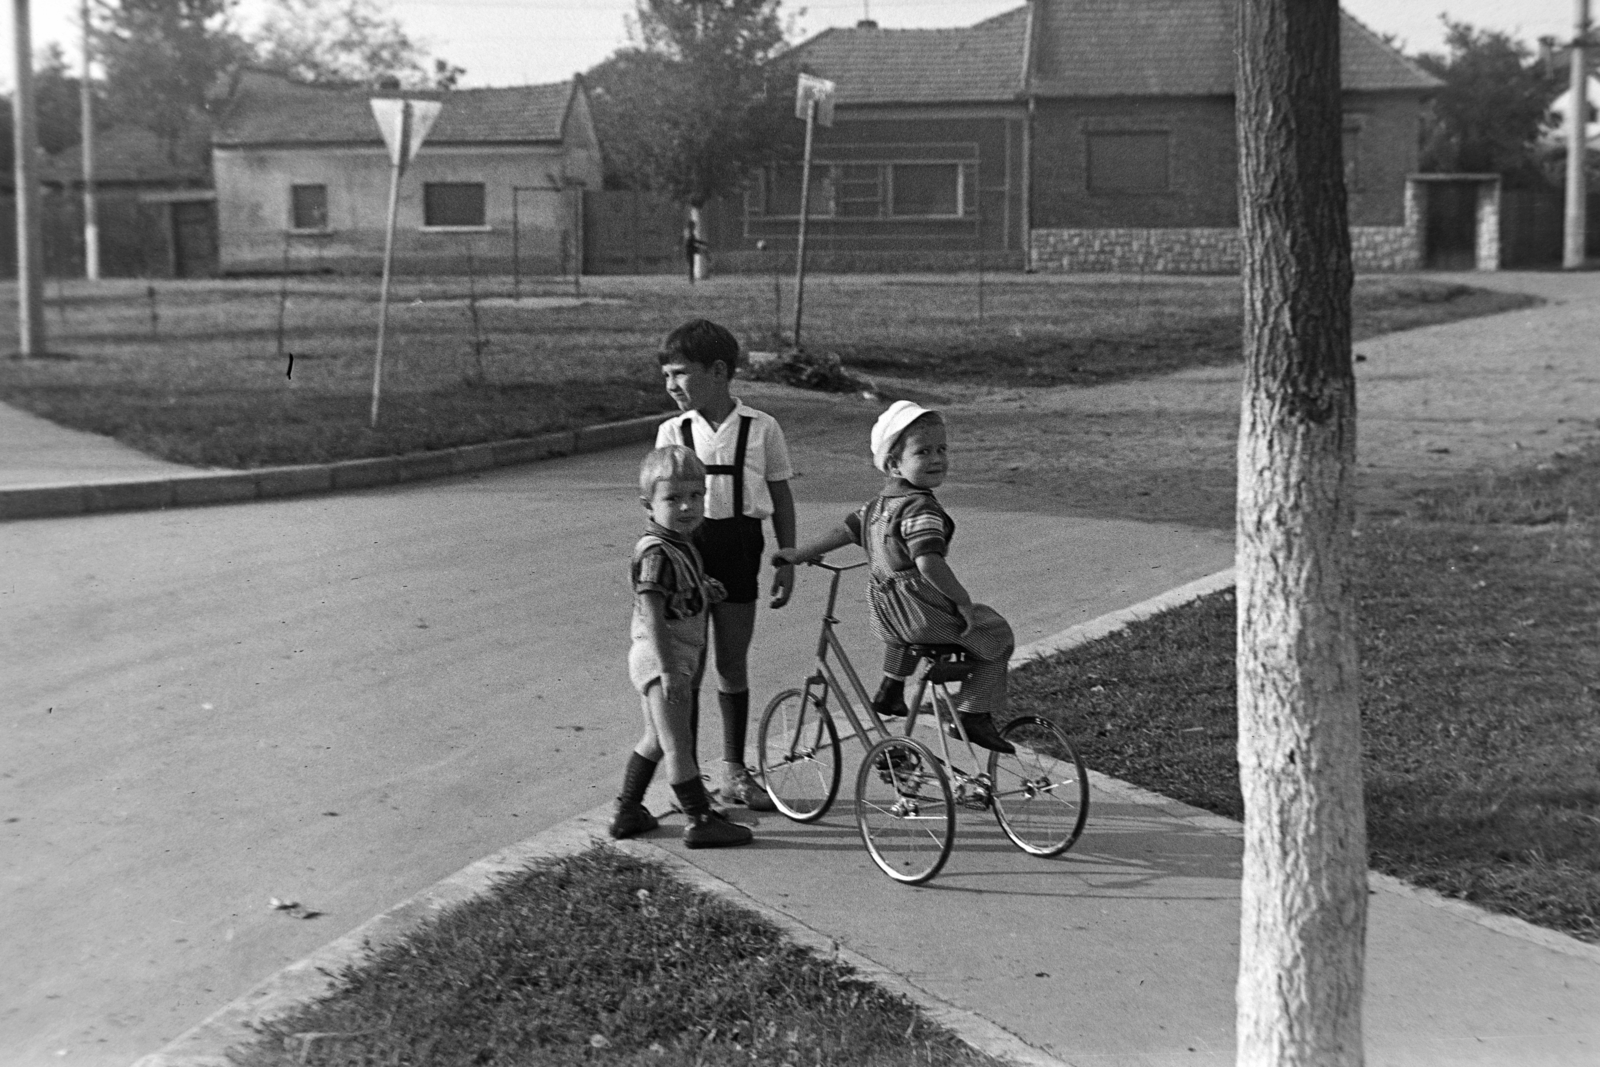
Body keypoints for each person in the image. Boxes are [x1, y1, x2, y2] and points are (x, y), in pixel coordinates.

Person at [772, 401, 1015, 753]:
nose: (936, 459)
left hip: (889, 615)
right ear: (893, 463)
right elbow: (928, 561)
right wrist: (961, 599)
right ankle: (972, 714)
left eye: (941, 449)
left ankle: (891, 688)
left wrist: (799, 554)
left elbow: (843, 531)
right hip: (921, 615)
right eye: (923, 452)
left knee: (908, 636)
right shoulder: (920, 507)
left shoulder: (876, 507)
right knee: (996, 635)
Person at [655, 319, 797, 810]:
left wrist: (787, 557)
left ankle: (734, 772)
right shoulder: (672, 432)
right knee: (686, 669)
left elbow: (779, 491)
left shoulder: (762, 427)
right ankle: (688, 781)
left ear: (718, 371)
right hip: (688, 556)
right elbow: (661, 503)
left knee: (731, 664)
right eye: (666, 376)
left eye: (679, 374)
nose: (670, 386)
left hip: (740, 549)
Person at [610, 445, 753, 848]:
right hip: (662, 658)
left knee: (656, 739)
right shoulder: (656, 553)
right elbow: (653, 610)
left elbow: (679, 591)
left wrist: (703, 588)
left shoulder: (678, 543)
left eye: (696, 496)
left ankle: (628, 811)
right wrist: (670, 669)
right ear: (648, 505)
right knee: (678, 746)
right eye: (672, 499)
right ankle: (700, 820)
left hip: (667, 657)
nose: (687, 507)